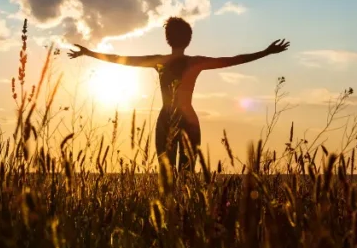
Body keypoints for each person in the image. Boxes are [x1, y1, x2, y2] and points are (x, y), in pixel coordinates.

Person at [68, 17, 289, 172]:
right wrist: (266, 52)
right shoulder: (195, 62)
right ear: (189, 39)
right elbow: (233, 59)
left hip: (166, 118)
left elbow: (120, 58)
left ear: (168, 39)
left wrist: (89, 53)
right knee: (186, 172)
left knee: (167, 173)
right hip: (189, 120)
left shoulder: (160, 61)